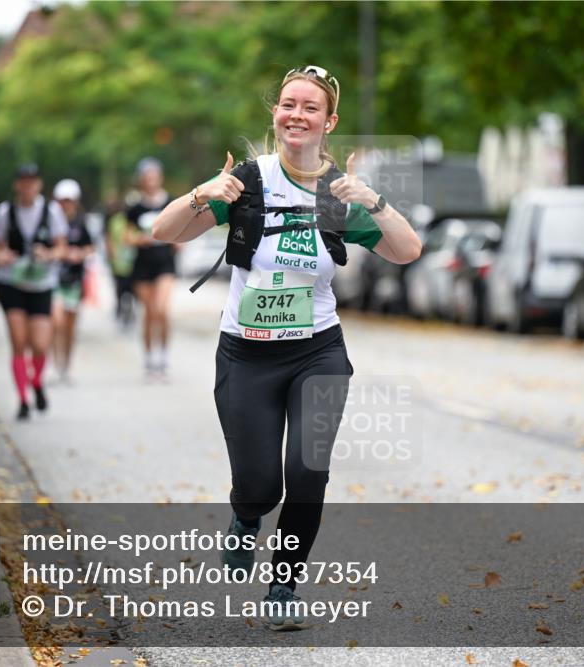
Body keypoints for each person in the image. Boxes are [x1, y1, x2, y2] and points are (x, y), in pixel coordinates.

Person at [152, 65, 421, 629]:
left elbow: (407, 250)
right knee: (260, 484)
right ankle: (246, 516)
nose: (297, 115)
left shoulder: (335, 193)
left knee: (307, 470)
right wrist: (204, 192)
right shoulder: (249, 181)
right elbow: (165, 232)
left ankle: (283, 584)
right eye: (288, 105)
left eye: (310, 108)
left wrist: (372, 201)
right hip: (246, 356)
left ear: (329, 121)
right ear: (275, 113)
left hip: (317, 352)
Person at [0, 164, 68, 421]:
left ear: (39, 184)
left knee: (40, 344)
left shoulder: (52, 211)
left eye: (32, 181)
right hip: (11, 283)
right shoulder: (5, 212)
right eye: (23, 181)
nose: (27, 186)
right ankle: (23, 400)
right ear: (17, 184)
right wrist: (2, 256)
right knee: (18, 341)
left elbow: (61, 248)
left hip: (41, 283)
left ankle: (36, 382)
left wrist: (48, 255)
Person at [126, 158, 176, 378]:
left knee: (162, 310)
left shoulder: (171, 202)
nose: (150, 180)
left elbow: (182, 229)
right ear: (141, 180)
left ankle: (163, 356)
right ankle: (148, 357)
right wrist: (142, 239)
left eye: (154, 176)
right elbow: (127, 237)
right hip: (143, 265)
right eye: (146, 177)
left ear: (160, 177)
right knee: (149, 312)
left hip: (165, 263)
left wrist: (177, 241)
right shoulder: (135, 208)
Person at [51, 178, 94, 384]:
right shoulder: (49, 221)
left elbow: (91, 247)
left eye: (70, 200)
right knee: (56, 323)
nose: (66, 204)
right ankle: (55, 362)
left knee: (69, 326)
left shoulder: (80, 222)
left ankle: (65, 367)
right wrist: (60, 253)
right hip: (53, 279)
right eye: (63, 200)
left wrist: (79, 253)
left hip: (74, 280)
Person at [104, 200, 136, 330]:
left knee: (132, 289)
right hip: (119, 262)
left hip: (132, 262)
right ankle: (120, 308)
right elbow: (109, 239)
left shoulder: (133, 220)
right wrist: (111, 256)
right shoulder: (115, 220)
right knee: (120, 288)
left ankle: (129, 310)